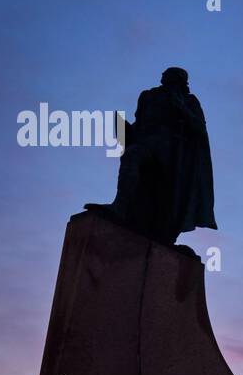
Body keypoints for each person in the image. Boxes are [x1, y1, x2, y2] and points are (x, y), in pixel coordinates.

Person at [88, 67, 217, 246]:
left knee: (166, 195)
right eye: (166, 74)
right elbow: (140, 124)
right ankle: (120, 206)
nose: (167, 77)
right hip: (145, 143)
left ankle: (165, 232)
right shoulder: (148, 96)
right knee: (132, 156)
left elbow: (200, 128)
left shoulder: (189, 100)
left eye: (172, 76)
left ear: (181, 81)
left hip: (171, 153)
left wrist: (182, 109)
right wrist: (124, 129)